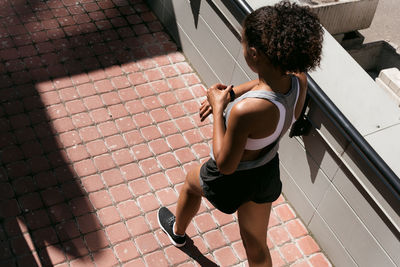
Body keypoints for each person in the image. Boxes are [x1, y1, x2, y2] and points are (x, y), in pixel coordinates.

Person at [158, 1, 323, 266]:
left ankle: (177, 233)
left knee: (191, 183)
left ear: (255, 54)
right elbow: (265, 82)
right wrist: (234, 91)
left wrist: (219, 105)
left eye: (243, 42)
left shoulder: (247, 111)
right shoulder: (298, 77)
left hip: (234, 176)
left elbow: (225, 164)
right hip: (266, 171)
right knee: (256, 244)